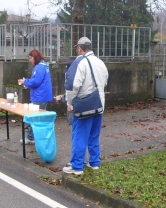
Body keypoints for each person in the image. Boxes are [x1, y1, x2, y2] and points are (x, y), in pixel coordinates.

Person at [62, 37, 109, 175]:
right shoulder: (100, 62)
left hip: (84, 106)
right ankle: (94, 162)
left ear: (80, 48)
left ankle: (77, 166)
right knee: (94, 135)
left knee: (79, 135)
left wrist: (70, 103)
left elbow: (73, 86)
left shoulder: (80, 62)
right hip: (99, 103)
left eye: (77, 48)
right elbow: (104, 81)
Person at [55, 59, 89, 166]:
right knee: (81, 136)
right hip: (83, 110)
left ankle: (80, 161)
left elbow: (74, 95)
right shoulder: (83, 77)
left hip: (76, 111)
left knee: (78, 137)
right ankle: (82, 160)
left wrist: (63, 98)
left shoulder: (76, 79)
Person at [17, 49, 53, 144]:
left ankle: (31, 137)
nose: (30, 60)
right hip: (43, 95)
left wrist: (25, 81)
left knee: (34, 117)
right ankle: (35, 137)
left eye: (31, 58)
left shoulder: (39, 68)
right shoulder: (45, 66)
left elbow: (35, 82)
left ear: (35, 57)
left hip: (39, 96)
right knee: (39, 117)